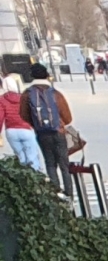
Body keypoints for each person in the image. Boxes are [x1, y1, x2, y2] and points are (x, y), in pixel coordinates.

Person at [20, 65, 75, 194]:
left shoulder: (27, 94)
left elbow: (23, 115)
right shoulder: (55, 93)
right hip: (58, 132)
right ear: (46, 75)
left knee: (50, 164)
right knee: (64, 165)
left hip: (42, 133)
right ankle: (69, 193)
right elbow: (68, 118)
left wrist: (37, 124)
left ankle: (56, 194)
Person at [0, 76, 40, 170]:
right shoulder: (23, 98)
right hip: (26, 129)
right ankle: (36, 178)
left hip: (11, 131)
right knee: (32, 156)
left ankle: (24, 178)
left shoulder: (1, 99)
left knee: (21, 157)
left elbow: (0, 117)